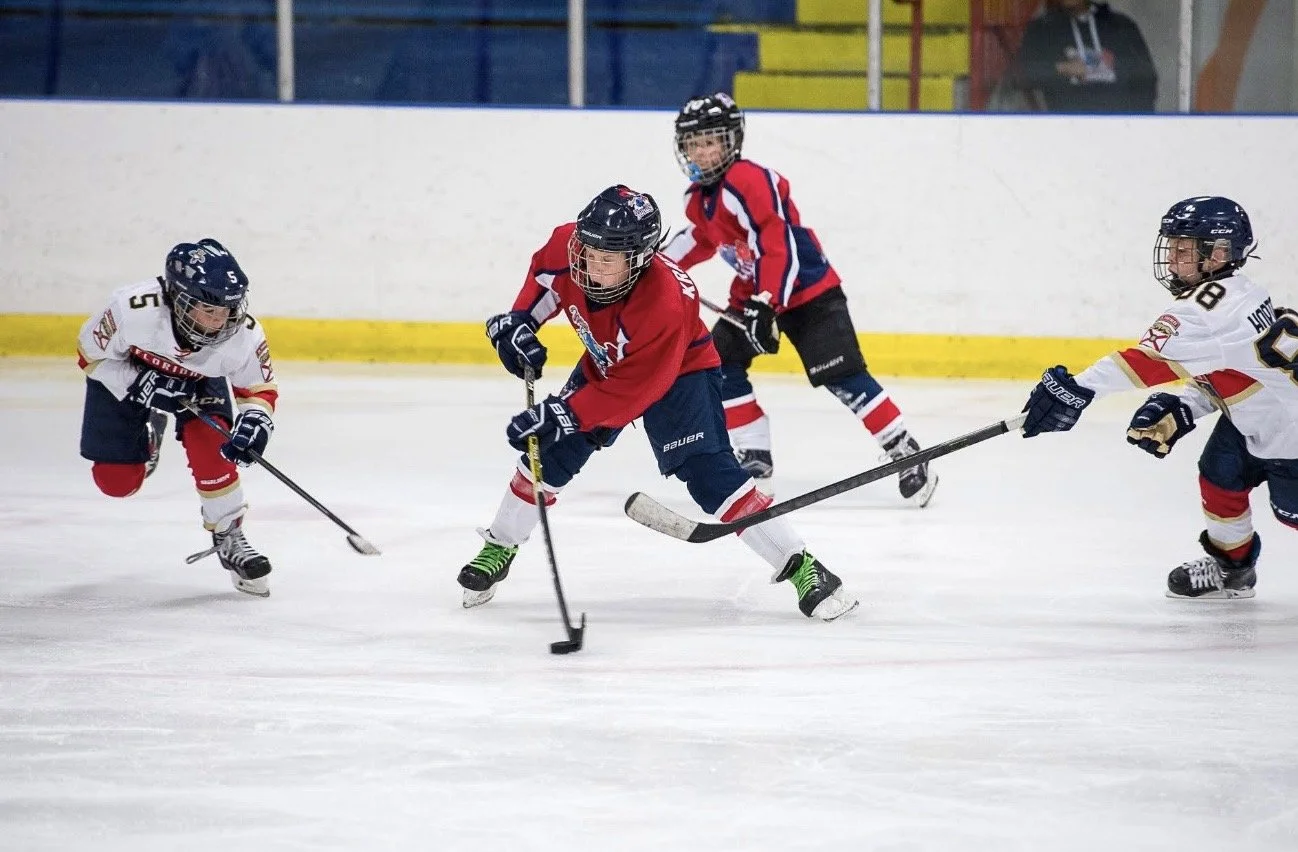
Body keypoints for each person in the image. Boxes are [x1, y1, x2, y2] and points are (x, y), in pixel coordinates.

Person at [458, 185, 858, 622]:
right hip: (609, 359)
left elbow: (636, 389)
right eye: (587, 251)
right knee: (546, 457)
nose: (591, 265)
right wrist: (519, 323)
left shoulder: (662, 304)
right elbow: (543, 280)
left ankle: (803, 566)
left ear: (638, 261)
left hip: (680, 371)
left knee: (711, 476)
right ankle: (499, 543)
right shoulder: (570, 244)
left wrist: (565, 415)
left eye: (607, 259)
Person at [661, 92, 937, 506]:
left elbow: (777, 242)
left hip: (808, 291)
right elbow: (700, 241)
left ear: (732, 140)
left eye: (710, 141)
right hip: (755, 296)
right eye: (693, 143)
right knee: (718, 363)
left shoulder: (750, 180)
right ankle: (754, 457)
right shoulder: (698, 200)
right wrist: (652, 264)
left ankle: (906, 450)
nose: (700, 151)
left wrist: (767, 299)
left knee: (842, 376)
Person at [1020, 196, 1298, 598]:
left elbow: (1143, 362)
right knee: (1219, 477)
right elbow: (1236, 373)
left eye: (1183, 249)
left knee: (1290, 514)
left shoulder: (1208, 308)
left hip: (1290, 439)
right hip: (1257, 419)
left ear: (1218, 252)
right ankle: (1232, 570)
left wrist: (1076, 388)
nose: (1171, 261)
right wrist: (1184, 407)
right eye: (1171, 248)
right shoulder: (1240, 293)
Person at [76, 238, 279, 597]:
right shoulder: (131, 309)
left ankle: (229, 534)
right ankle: (150, 433)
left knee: (215, 449)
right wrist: (139, 382)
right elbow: (89, 354)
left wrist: (256, 421)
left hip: (198, 384)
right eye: (209, 310)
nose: (221, 322)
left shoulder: (243, 334)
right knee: (117, 482)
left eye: (228, 310)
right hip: (126, 374)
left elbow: (259, 390)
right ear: (179, 300)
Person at [1011, 0, 1157, 113]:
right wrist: (1062, 68)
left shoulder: (1121, 26)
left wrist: (1136, 126)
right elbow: (1020, 75)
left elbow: (1147, 79)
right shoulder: (1042, 30)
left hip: (1118, 130)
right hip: (1067, 131)